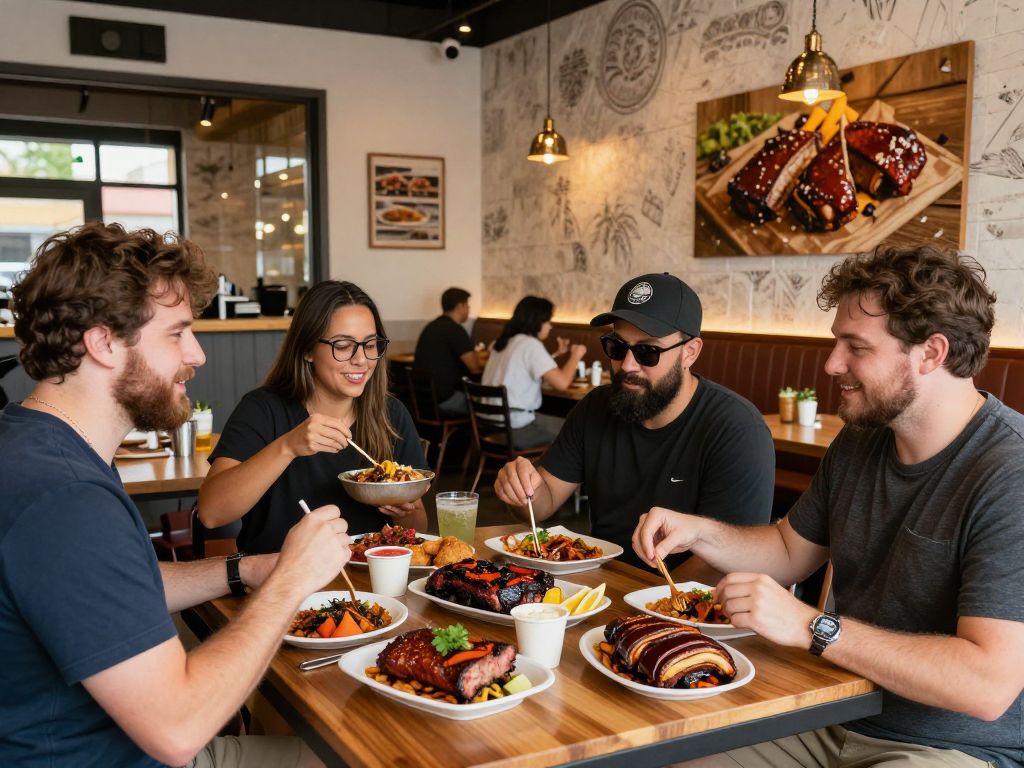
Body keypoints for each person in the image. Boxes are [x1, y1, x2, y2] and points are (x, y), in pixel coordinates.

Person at [634, 245, 1024, 768]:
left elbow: (987, 683)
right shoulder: (862, 437)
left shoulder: (1009, 471)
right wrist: (698, 532)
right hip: (825, 711)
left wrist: (810, 626)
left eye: (854, 347)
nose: (831, 363)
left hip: (951, 748)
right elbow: (789, 549)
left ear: (931, 353)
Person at [0, 221, 348, 767]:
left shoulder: (39, 443)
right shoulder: (65, 499)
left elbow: (113, 587)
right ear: (104, 342)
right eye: (177, 332)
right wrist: (291, 580)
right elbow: (179, 727)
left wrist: (245, 570)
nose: (197, 354)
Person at [495, 273, 774, 575]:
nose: (627, 365)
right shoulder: (595, 407)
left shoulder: (736, 429)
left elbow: (728, 560)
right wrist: (522, 490)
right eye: (616, 347)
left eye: (647, 352)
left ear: (689, 353)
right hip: (601, 586)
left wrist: (642, 605)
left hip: (682, 606)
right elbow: (542, 502)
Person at [199, 281, 427, 553]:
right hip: (279, 581)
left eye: (370, 344)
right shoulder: (263, 409)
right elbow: (212, 513)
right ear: (307, 350)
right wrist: (288, 446)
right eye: (343, 345)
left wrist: (403, 513)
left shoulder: (390, 415)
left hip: (368, 584)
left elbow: (420, 527)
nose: (361, 360)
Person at [481, 295, 587, 449]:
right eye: (548, 321)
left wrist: (557, 355)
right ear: (538, 321)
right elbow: (562, 383)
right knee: (574, 433)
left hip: (488, 424)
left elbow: (524, 371)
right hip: (515, 427)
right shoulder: (530, 344)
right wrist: (576, 355)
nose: (550, 326)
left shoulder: (503, 341)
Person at [413, 286, 483, 416]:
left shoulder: (431, 327)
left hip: (423, 400)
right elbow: (474, 368)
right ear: (459, 306)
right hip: (446, 399)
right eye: (467, 305)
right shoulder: (456, 330)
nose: (469, 309)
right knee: (486, 404)